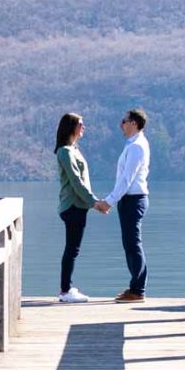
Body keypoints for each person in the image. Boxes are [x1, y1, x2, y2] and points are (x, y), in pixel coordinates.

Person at [95, 108, 150, 302]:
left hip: (133, 200)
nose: (121, 124)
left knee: (133, 244)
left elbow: (127, 178)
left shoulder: (136, 147)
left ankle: (138, 290)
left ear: (134, 123)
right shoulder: (133, 144)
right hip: (130, 199)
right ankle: (135, 287)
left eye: (124, 121)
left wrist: (108, 201)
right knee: (130, 244)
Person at [54, 112, 104, 303]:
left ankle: (65, 287)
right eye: (80, 124)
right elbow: (76, 181)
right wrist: (95, 202)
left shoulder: (73, 149)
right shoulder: (65, 151)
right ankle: (66, 291)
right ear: (71, 127)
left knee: (72, 248)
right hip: (73, 205)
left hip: (78, 206)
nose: (84, 127)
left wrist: (91, 203)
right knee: (72, 249)